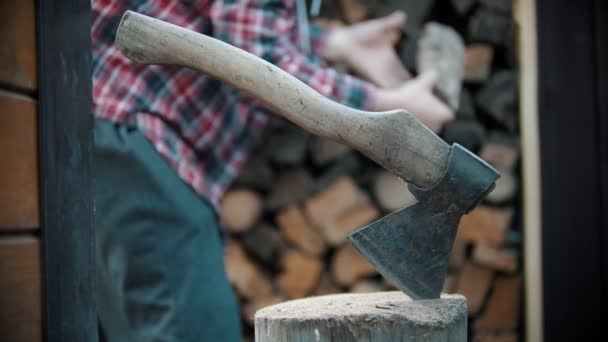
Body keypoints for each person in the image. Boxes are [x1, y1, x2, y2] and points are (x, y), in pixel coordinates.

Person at [91, 1, 454, 341]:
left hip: (102, 142)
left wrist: (336, 43)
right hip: (135, 143)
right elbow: (256, 61)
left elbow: (231, 28)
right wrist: (384, 105)